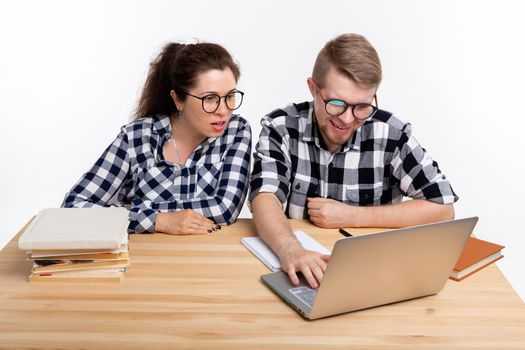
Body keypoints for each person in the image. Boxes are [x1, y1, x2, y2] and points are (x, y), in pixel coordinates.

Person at [249, 33, 458, 289]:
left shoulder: (391, 133)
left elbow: (443, 207)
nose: (348, 119)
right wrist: (291, 250)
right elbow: (264, 196)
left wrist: (351, 215)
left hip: (374, 275)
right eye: (336, 104)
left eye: (361, 107)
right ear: (313, 88)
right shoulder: (280, 127)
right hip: (298, 272)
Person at [63, 42, 251, 235]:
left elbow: (225, 208)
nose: (223, 110)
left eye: (230, 96)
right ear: (178, 99)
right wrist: (159, 220)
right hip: (142, 258)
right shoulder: (137, 137)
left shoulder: (236, 131)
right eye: (209, 98)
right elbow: (73, 207)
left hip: (204, 258)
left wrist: (130, 213)